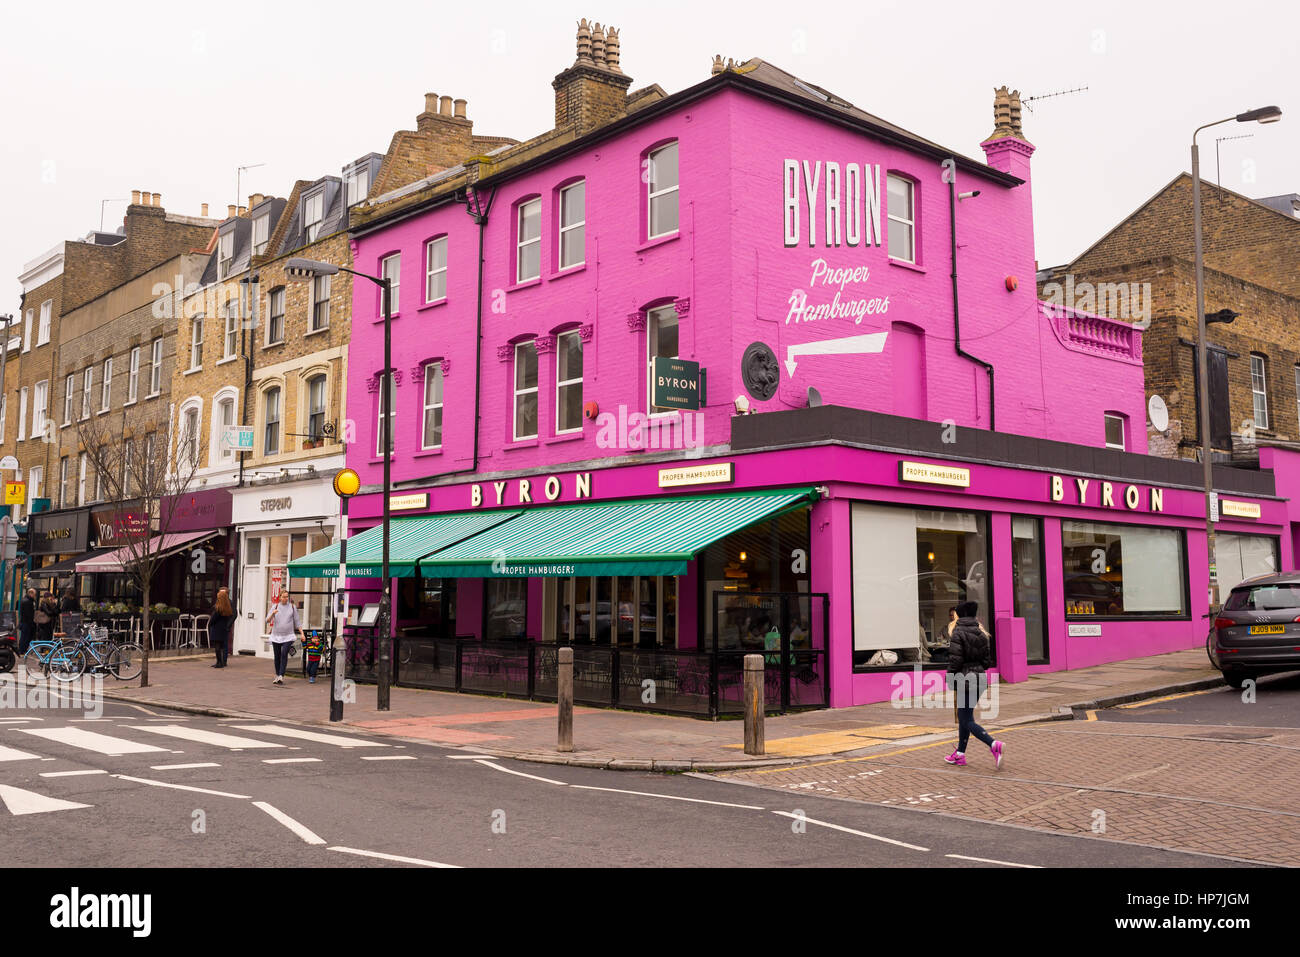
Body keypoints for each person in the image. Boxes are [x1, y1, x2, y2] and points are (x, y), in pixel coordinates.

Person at [943, 600, 1004, 769]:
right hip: (980, 679)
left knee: (966, 719)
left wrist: (950, 678)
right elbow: (986, 662)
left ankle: (993, 744)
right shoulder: (981, 632)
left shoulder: (958, 632)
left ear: (960, 615)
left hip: (963, 679)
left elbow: (955, 660)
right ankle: (960, 755)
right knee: (965, 717)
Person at [266, 591, 304, 685]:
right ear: (280, 597)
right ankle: (277, 675)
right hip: (276, 636)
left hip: (288, 636)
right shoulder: (275, 606)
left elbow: (297, 622)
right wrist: (273, 614)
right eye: (283, 597)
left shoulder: (292, 607)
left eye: (287, 597)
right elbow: (267, 620)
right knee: (277, 656)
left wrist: (302, 634)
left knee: (284, 653)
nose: (285, 598)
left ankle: (281, 676)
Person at [209, 588, 236, 669]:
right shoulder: (227, 607)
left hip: (217, 628)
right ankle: (220, 662)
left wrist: (210, 624)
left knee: (218, 646)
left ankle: (219, 662)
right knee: (221, 646)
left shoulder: (219, 607)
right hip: (223, 628)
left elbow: (213, 619)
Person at [18, 588, 36, 656]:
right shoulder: (27, 601)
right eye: (34, 594)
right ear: (30, 593)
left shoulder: (27, 600)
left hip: (26, 622)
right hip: (26, 622)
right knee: (25, 637)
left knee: (25, 636)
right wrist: (31, 622)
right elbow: (28, 614)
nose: (35, 596)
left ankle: (23, 649)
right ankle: (22, 650)